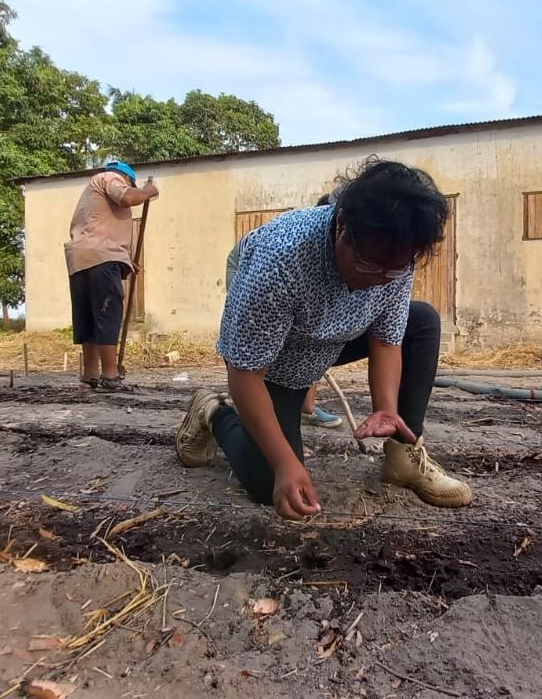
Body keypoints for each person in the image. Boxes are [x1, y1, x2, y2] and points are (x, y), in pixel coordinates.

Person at [178, 158, 473, 518]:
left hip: (331, 329)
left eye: (394, 269)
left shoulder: (396, 255)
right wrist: (285, 464)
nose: (380, 279)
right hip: (282, 348)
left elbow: (386, 338)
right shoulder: (280, 262)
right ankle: (214, 412)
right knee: (267, 481)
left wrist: (386, 408)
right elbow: (245, 373)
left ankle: (403, 457)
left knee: (422, 320)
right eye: (368, 264)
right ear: (342, 226)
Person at [224, 194, 343, 429]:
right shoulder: (289, 249)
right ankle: (242, 403)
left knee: (318, 333)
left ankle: (306, 407)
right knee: (249, 341)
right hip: (244, 262)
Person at [65, 161, 159, 392]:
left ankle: (90, 374)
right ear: (127, 178)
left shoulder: (92, 192)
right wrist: (149, 191)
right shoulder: (110, 178)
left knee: (87, 316)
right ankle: (110, 374)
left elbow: (99, 229)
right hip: (101, 257)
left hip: (81, 258)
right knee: (107, 314)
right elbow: (127, 198)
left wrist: (125, 261)